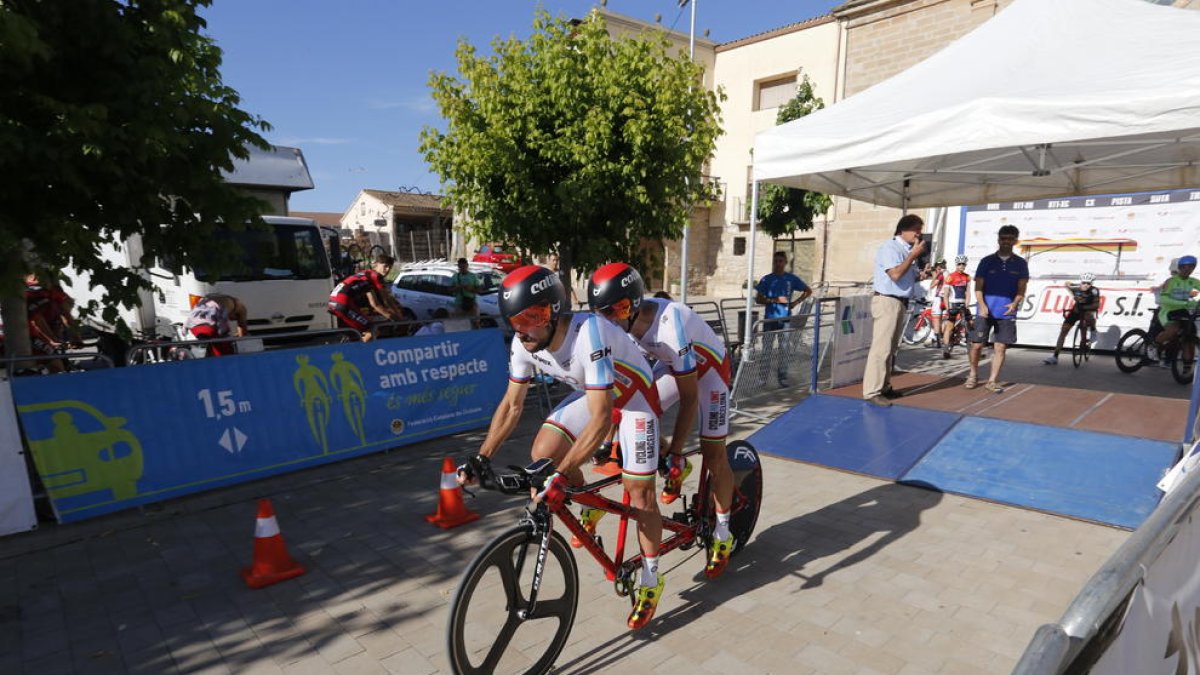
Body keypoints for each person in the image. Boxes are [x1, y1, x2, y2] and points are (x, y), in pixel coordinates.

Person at [456, 265, 666, 630]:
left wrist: (556, 475)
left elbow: (602, 419)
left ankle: (651, 578)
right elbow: (511, 406)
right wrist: (481, 456)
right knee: (543, 451)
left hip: (633, 399)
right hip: (595, 392)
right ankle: (590, 504)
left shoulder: (590, 333)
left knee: (640, 493)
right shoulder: (524, 341)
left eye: (532, 318)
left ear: (554, 310)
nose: (523, 330)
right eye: (514, 321)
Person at [587, 262, 737, 579]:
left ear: (634, 304)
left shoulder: (671, 324)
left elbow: (690, 396)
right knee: (643, 411)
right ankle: (669, 462)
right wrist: (608, 438)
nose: (609, 319)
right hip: (673, 366)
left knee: (714, 455)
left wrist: (679, 450)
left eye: (618, 310)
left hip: (709, 374)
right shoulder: (617, 327)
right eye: (603, 313)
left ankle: (723, 533)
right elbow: (625, 390)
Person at [863, 215, 926, 407]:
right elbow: (896, 274)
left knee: (891, 349)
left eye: (920, 230)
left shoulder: (906, 250)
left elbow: (907, 277)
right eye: (916, 229)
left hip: (900, 301)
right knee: (881, 348)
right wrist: (913, 256)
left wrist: (922, 273)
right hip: (887, 300)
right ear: (903, 230)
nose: (918, 234)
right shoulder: (890, 248)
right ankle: (872, 391)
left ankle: (884, 386)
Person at [967, 225, 1029, 392]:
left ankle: (992, 381)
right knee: (976, 346)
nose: (1006, 242)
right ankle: (973, 374)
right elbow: (978, 287)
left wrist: (1015, 303)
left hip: (1006, 313)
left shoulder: (1021, 264)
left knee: (1000, 347)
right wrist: (982, 305)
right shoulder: (986, 261)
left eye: (1010, 239)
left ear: (1015, 241)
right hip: (984, 311)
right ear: (998, 239)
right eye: (1003, 238)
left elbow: (1022, 289)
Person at [754, 251, 812, 387]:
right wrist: (774, 299)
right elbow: (758, 298)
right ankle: (762, 378)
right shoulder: (767, 279)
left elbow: (808, 291)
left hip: (785, 319)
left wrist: (795, 303)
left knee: (784, 349)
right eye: (776, 261)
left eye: (781, 261)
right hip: (769, 320)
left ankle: (782, 378)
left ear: (785, 263)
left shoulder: (791, 278)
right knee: (766, 350)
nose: (778, 264)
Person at [327, 254, 406, 341]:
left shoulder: (367, 275)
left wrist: (391, 316)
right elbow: (387, 300)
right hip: (343, 303)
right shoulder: (376, 276)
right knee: (373, 330)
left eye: (390, 268)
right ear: (376, 264)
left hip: (333, 303)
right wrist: (398, 319)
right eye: (385, 266)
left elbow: (374, 304)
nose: (387, 270)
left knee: (354, 335)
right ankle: (360, 352)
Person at [1152, 254, 1200, 366]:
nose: (1188, 270)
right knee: (1173, 330)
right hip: (1167, 311)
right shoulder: (1171, 281)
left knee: (1190, 335)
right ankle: (1153, 346)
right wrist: (1186, 303)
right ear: (1180, 268)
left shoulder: (1193, 281)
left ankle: (1187, 367)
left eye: (1191, 267)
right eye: (1185, 267)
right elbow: (1163, 299)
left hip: (1182, 310)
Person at [1043, 272, 1101, 365]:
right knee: (1063, 331)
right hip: (1076, 311)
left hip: (1087, 309)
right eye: (1084, 283)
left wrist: (1085, 307)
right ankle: (1055, 356)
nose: (1086, 285)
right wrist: (1071, 288)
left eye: (1088, 283)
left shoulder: (1094, 291)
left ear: (1091, 284)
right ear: (1081, 282)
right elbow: (1066, 283)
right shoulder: (1076, 287)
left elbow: (1096, 305)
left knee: (1089, 315)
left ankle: (1093, 331)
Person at [940, 255, 973, 358]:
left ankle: (971, 351)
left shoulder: (967, 277)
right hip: (953, 304)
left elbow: (968, 293)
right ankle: (946, 350)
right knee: (949, 327)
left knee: (970, 325)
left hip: (963, 304)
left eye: (963, 264)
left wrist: (967, 304)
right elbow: (946, 294)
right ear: (956, 265)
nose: (962, 266)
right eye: (959, 264)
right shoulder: (950, 276)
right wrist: (947, 308)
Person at [450, 258, 480, 327]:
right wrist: (457, 287)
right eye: (460, 267)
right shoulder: (455, 277)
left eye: (464, 267)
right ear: (458, 266)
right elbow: (449, 290)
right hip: (459, 304)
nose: (462, 268)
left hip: (471, 303)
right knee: (460, 324)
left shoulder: (473, 276)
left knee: (475, 323)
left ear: (467, 265)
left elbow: (479, 290)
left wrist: (470, 289)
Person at [924, 259, 947, 347]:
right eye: (938, 266)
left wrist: (935, 276)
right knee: (941, 320)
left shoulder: (940, 275)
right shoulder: (947, 273)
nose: (938, 268)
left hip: (939, 298)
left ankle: (938, 343)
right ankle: (939, 339)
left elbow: (932, 286)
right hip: (945, 298)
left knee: (936, 320)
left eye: (939, 266)